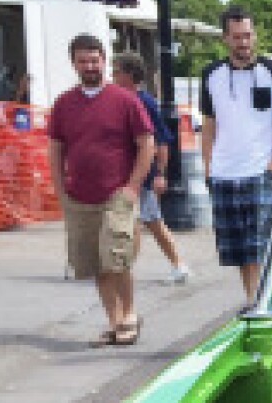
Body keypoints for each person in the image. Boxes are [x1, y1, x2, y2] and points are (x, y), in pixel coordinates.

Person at [46, 33, 154, 347]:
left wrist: (133, 186)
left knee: (117, 258)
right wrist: (60, 190)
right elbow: (55, 148)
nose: (90, 66)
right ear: (74, 64)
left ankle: (129, 314)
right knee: (95, 264)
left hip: (117, 194)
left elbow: (146, 143)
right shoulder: (64, 104)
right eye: (83, 61)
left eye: (95, 60)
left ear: (104, 61)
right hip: (79, 196)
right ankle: (114, 321)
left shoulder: (125, 100)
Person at [201, 6, 272, 304]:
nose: (243, 42)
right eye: (237, 37)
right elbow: (208, 127)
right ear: (225, 38)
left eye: (248, 35)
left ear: (254, 36)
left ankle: (264, 303)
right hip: (224, 174)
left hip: (260, 172)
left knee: (264, 249)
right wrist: (209, 169)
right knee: (241, 253)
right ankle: (252, 300)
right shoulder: (211, 75)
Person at [112, 52, 192, 283]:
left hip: (143, 173)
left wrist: (159, 173)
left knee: (144, 222)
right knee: (144, 221)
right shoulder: (124, 99)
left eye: (117, 71)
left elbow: (161, 140)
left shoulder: (144, 102)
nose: (113, 75)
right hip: (130, 171)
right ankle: (175, 265)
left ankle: (130, 268)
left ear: (128, 74)